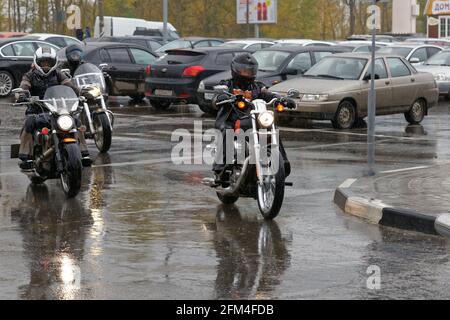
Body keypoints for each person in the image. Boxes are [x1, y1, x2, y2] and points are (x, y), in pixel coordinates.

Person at [213, 52, 294, 184]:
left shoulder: (257, 86)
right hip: (232, 120)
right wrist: (221, 97)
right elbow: (217, 98)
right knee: (227, 131)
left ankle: (283, 163)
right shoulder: (228, 84)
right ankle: (221, 167)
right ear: (235, 70)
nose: (247, 74)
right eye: (244, 71)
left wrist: (282, 100)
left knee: (272, 129)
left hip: (253, 120)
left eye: (250, 71)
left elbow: (268, 94)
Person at [16, 47, 90, 170]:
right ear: (37, 62)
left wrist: (81, 93)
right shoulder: (30, 75)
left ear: (53, 62)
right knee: (29, 123)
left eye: (48, 62)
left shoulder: (58, 74)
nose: (46, 65)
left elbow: (70, 85)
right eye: (43, 62)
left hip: (57, 109)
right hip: (37, 110)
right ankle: (26, 156)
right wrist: (22, 94)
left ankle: (83, 152)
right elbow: (24, 86)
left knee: (75, 121)